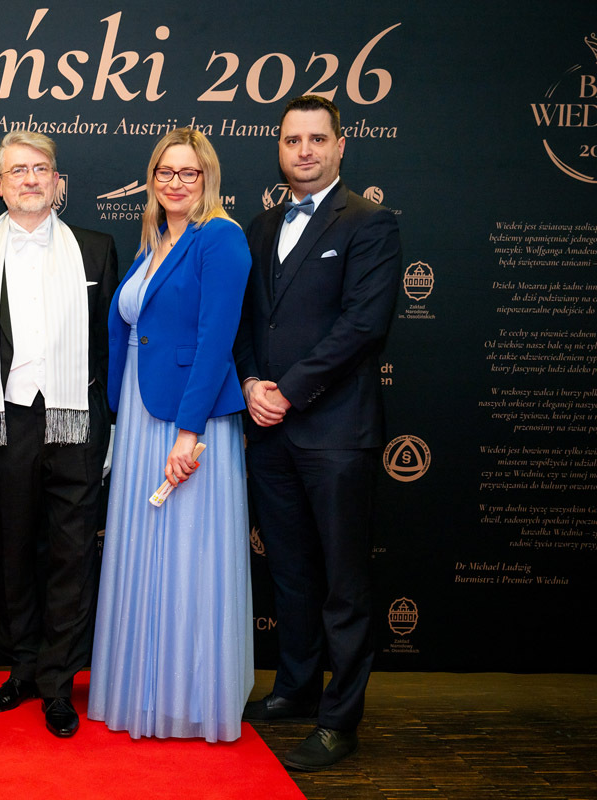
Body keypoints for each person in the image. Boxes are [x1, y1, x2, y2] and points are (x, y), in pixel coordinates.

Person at [235, 94, 402, 770]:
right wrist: (251, 383)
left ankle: (339, 720)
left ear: (339, 146)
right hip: (269, 434)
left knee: (343, 584)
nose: (303, 150)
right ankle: (296, 689)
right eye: (291, 140)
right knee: (292, 575)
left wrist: (288, 391)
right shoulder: (259, 226)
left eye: (316, 139)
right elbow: (247, 323)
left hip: (334, 433)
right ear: (279, 149)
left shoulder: (369, 222)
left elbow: (363, 326)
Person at [88, 128, 253, 741]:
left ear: (207, 177)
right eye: (165, 171)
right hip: (138, 412)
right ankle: (141, 691)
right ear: (152, 178)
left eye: (188, 172)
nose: (176, 183)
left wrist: (188, 431)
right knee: (144, 552)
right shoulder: (155, 239)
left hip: (188, 416)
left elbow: (215, 341)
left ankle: (188, 701)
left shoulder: (220, 237)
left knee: (187, 556)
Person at [0, 131, 117, 738]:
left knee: (72, 555)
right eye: (17, 170)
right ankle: (21, 668)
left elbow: (112, 345)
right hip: (5, 419)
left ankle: (57, 683)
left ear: (57, 181)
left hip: (75, 418)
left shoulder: (96, 248)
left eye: (40, 168)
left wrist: (112, 423)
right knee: (11, 548)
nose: (30, 179)